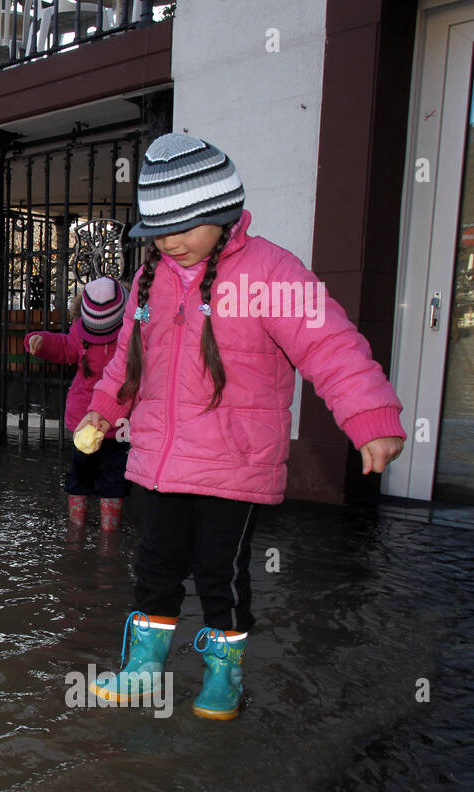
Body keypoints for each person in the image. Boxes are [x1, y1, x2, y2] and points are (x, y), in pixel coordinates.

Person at [79, 134, 406, 719]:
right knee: (154, 567)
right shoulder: (148, 280)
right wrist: (106, 410)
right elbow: (129, 356)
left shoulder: (270, 272)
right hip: (158, 463)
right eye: (160, 228)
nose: (172, 240)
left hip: (233, 465)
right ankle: (144, 668)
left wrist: (370, 415)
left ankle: (222, 674)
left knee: (220, 576)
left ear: (224, 213)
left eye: (187, 225)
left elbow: (330, 343)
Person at [24, 276, 132, 532]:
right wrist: (42, 341)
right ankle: (77, 525)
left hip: (119, 424)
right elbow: (64, 347)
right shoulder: (79, 333)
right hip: (85, 420)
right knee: (80, 472)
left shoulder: (133, 340)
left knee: (115, 476)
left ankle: (109, 530)